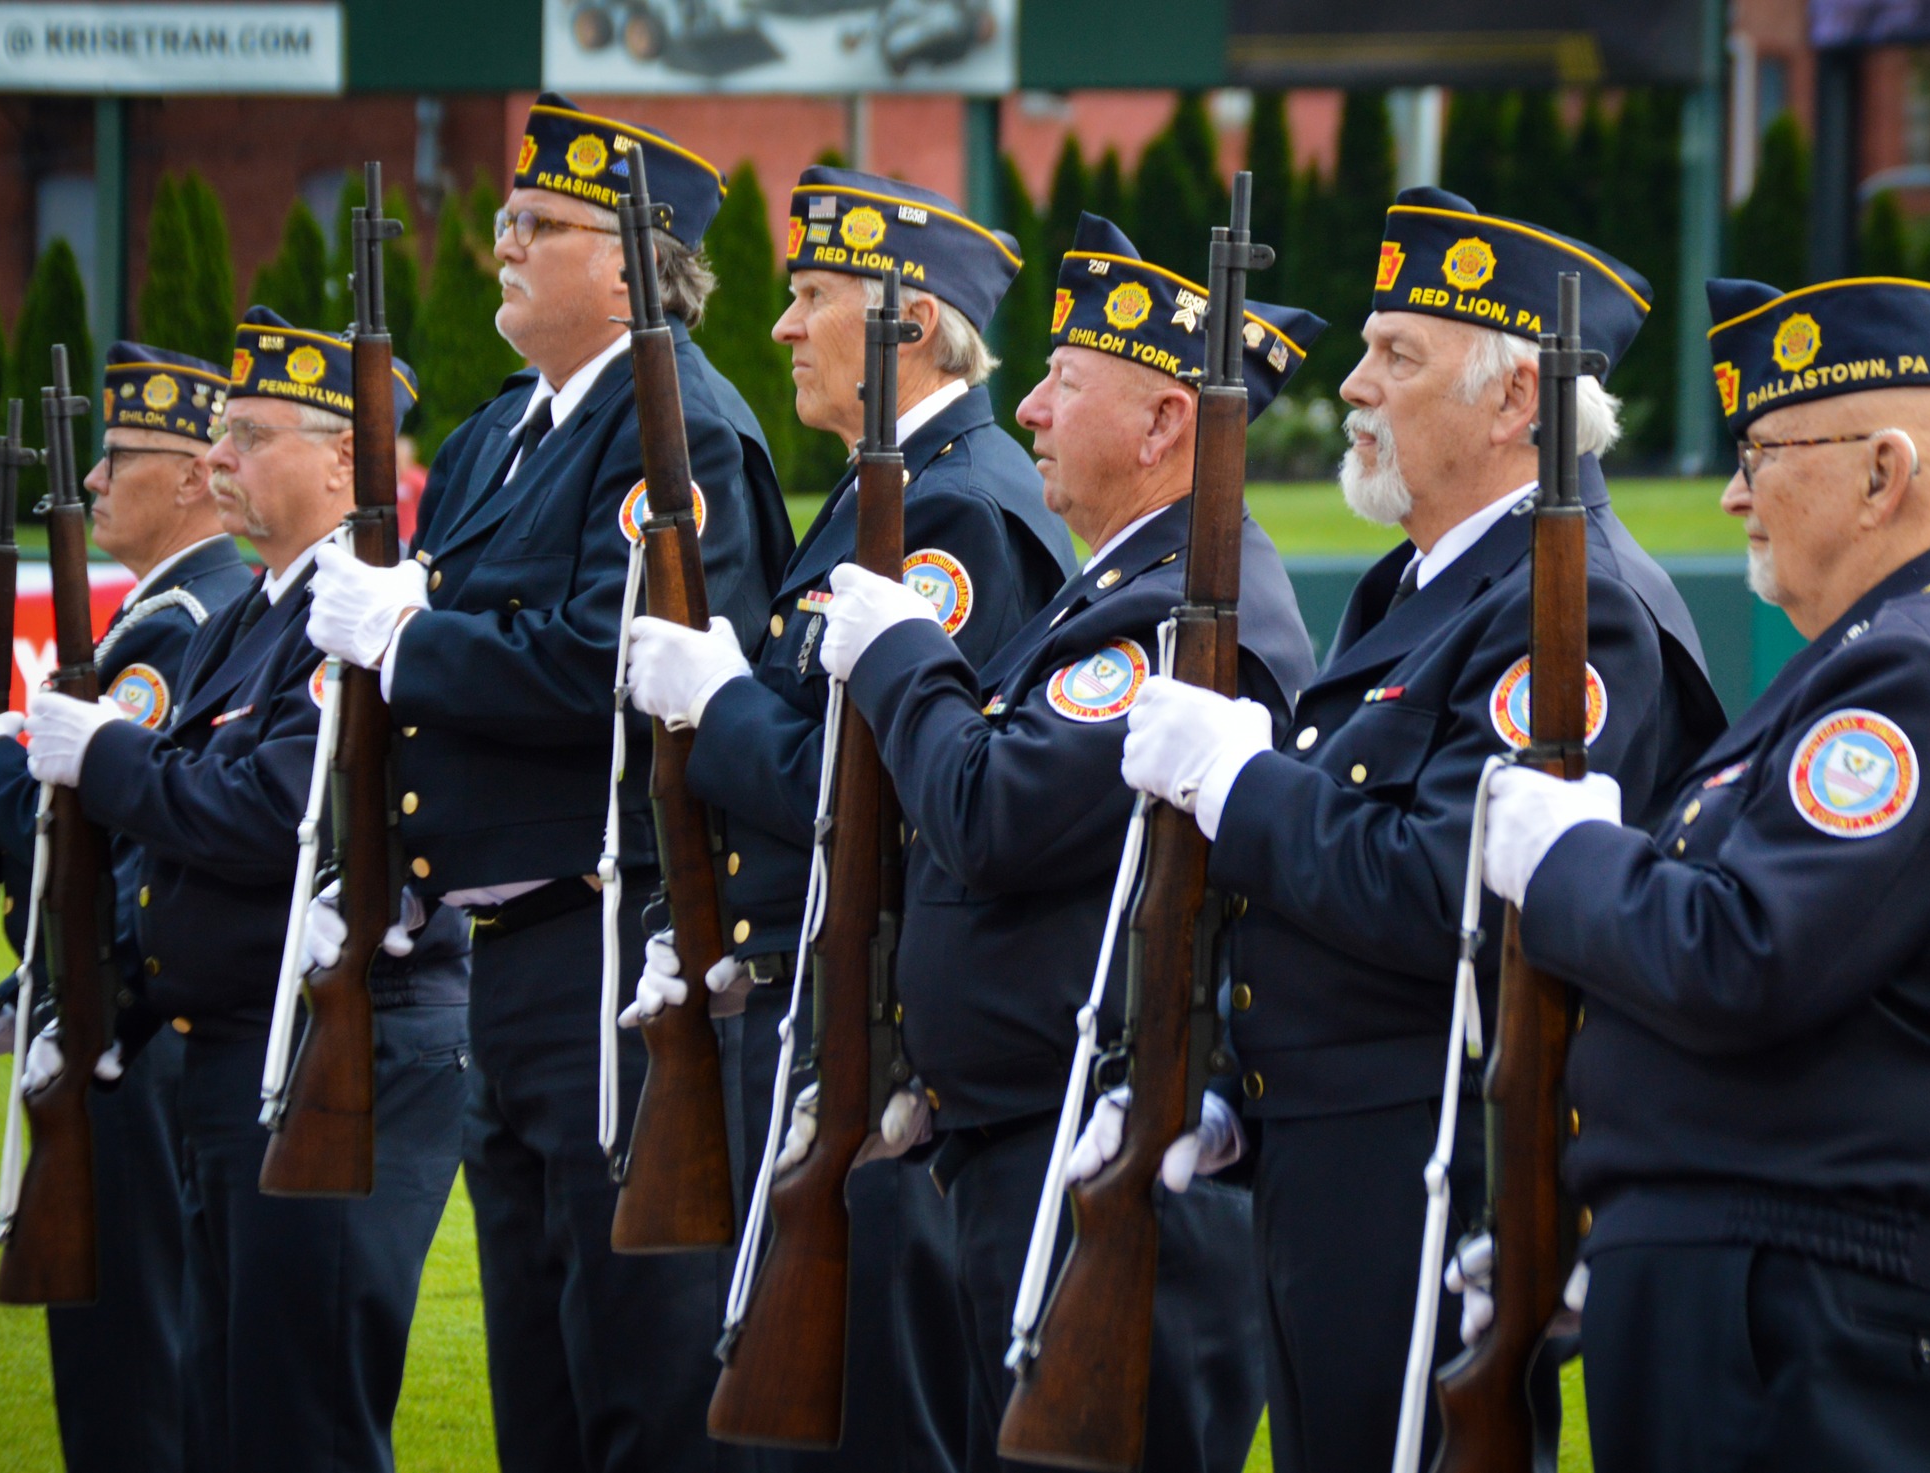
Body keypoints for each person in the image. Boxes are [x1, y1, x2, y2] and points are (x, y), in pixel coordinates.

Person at [1106, 187, 1726, 1473]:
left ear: (1513, 403)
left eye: (1396, 355)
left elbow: (1450, 891)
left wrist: (1237, 783)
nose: (1352, 386)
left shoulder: (1577, 607)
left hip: (1433, 1157)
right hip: (1334, 1148)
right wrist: (1231, 1077)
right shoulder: (1421, 582)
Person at [302, 95, 792, 1473]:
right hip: (503, 957)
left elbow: (613, 662)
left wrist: (410, 637)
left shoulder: (674, 427)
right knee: (538, 1387)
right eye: (507, 218)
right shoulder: (495, 435)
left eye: (538, 224)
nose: (503, 244)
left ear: (632, 271)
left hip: (612, 950)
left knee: (640, 1379)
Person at [793, 213, 1321, 1472]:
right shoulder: (1116, 589)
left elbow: (992, 815)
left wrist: (901, 656)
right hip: (1024, 1139)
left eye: (1065, 382)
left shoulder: (1177, 614)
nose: (1026, 407)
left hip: (1095, 1157)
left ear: (1162, 425)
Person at [621, 165, 1076, 1470]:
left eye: (812, 294)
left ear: (910, 325)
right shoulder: (897, 486)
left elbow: (884, 793)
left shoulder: (956, 509)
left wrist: (718, 706)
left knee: (879, 1422)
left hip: (884, 1034)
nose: (779, 325)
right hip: (818, 1007)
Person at [1474, 275, 1930, 1472]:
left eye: (1762, 453)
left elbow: (1744, 954)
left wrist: (1565, 858)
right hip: (1736, 1270)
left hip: (1793, 1292)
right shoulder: (1852, 665)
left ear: (1882, 476)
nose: (1733, 492)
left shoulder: (1905, 676)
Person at [18, 308, 471, 1473]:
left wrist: (107, 757)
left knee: (295, 1421)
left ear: (343, 459)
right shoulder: (255, 611)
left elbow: (270, 811)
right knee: (224, 1416)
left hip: (335, 1055)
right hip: (235, 1054)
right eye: (220, 434)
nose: (216, 457)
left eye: (250, 435)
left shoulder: (355, 613)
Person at [0, 340, 246, 1473]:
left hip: (131, 1030)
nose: (98, 481)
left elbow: (97, 836)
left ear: (196, 477)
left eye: (122, 458)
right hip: (128, 1011)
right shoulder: (183, 610)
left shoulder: (176, 624)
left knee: (129, 1359)